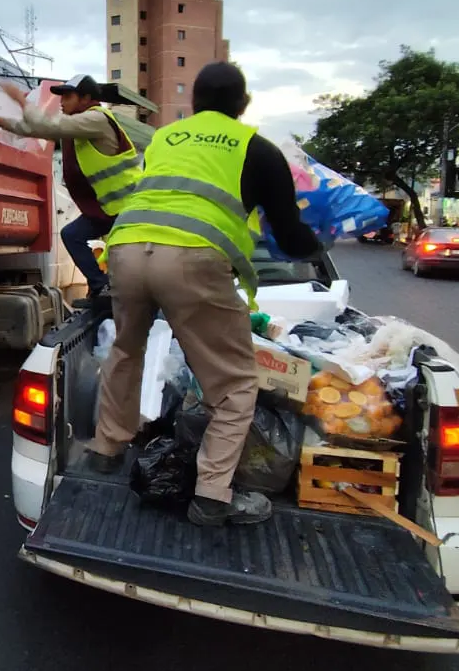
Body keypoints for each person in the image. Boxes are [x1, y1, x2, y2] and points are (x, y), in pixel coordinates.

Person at [87, 62, 319, 526]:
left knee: (126, 350)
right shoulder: (258, 148)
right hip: (192, 259)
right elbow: (291, 237)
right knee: (233, 384)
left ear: (193, 103)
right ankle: (213, 494)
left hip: (127, 248)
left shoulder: (166, 140)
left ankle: (106, 448)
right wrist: (319, 241)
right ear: (243, 104)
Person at [0, 74, 141, 304]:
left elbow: (47, 125)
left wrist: (21, 101)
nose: (61, 102)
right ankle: (101, 287)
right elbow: (36, 129)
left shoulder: (95, 119)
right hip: (107, 209)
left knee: (127, 263)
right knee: (72, 235)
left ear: (86, 98)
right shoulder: (78, 125)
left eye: (68, 96)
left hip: (129, 208)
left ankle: (133, 301)